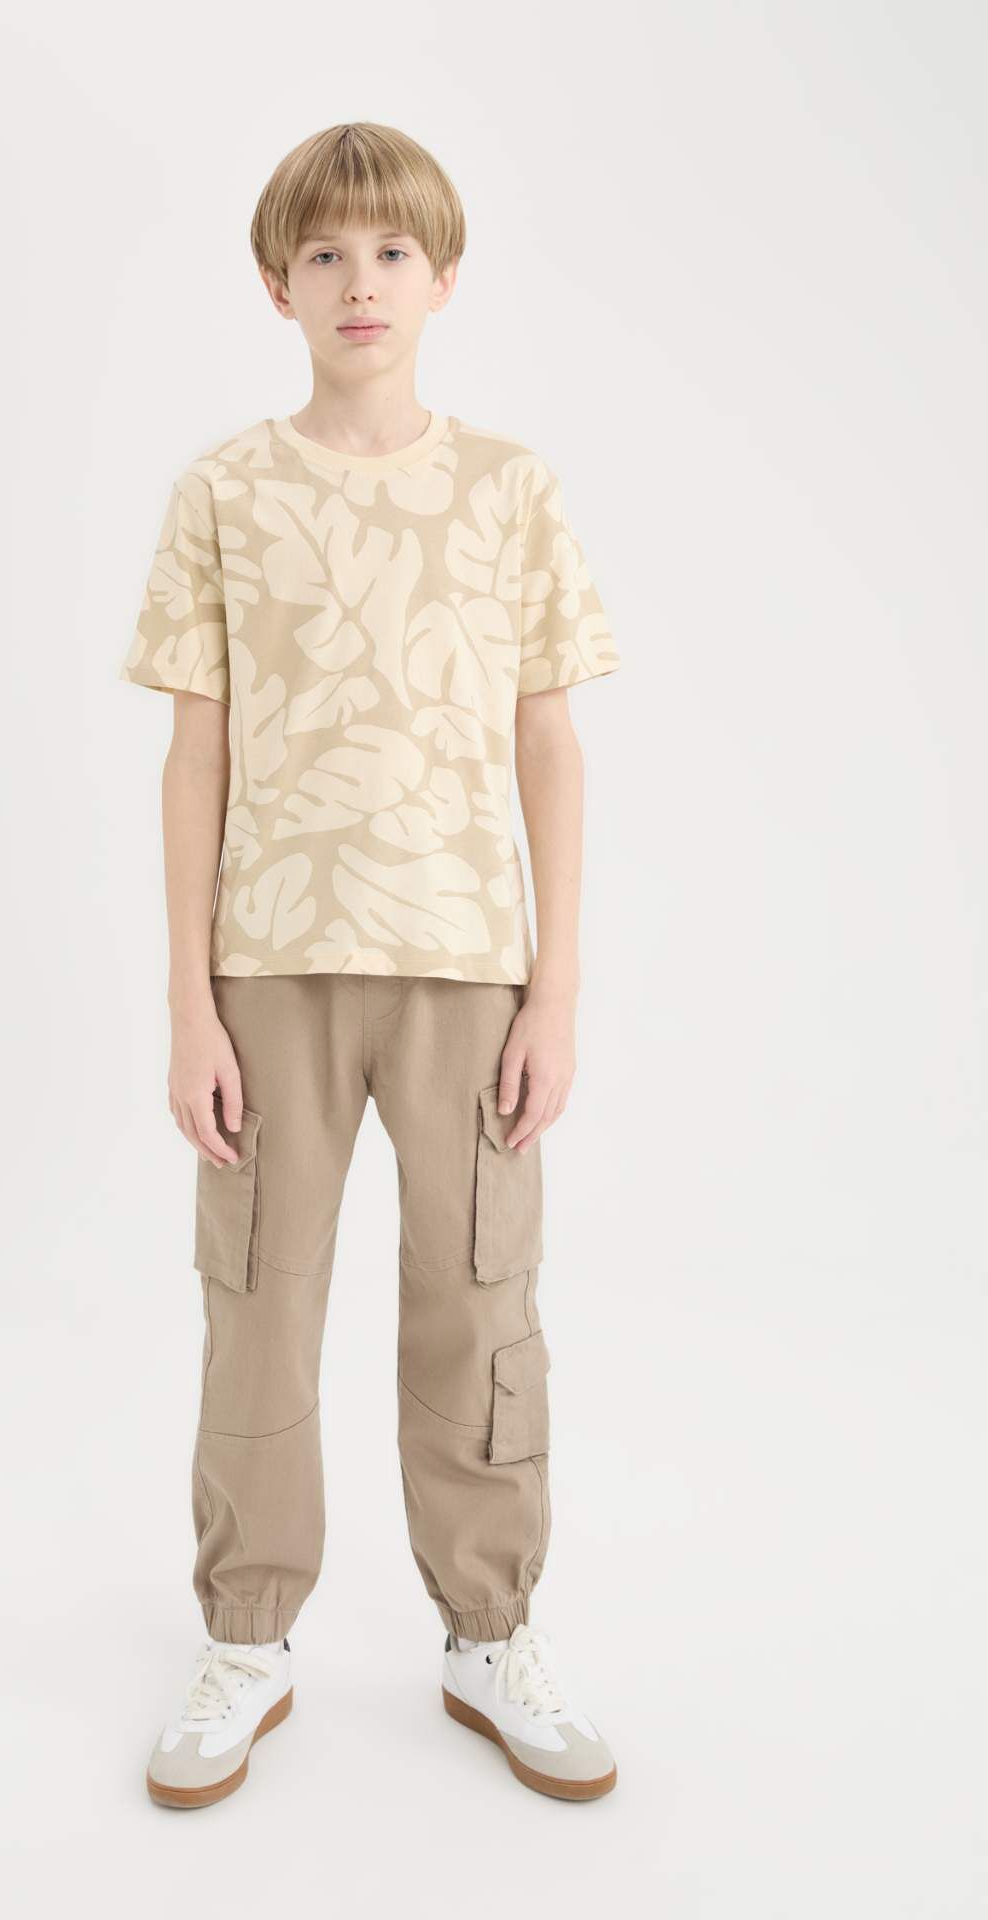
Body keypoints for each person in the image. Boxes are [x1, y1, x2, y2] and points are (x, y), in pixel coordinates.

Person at [121, 121, 622, 1810]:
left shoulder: (511, 489)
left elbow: (548, 742)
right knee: (260, 1304)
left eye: (392, 252)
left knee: (477, 1301)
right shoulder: (225, 490)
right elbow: (195, 753)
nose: (360, 281)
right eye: (325, 254)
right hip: (268, 964)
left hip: (469, 965)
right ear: (278, 283)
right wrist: (189, 1005)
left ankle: (489, 1631)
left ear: (445, 278)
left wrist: (556, 990)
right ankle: (247, 1637)